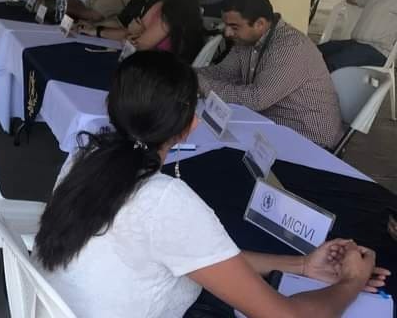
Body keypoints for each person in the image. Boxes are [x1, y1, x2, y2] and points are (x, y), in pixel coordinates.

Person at [36, 51, 387, 318]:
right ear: (190, 124)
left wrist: (302, 266)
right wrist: (351, 282)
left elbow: (202, 256)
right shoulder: (165, 201)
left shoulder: (85, 156)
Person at [197, 0, 343, 149]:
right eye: (226, 25)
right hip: (268, 128)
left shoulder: (291, 47)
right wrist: (182, 75)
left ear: (260, 23)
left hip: (308, 141)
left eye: (234, 27)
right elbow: (223, 72)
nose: (227, 33)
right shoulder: (246, 40)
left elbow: (256, 99)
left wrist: (197, 83)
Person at [84, 0, 203, 62]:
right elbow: (132, 33)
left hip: (161, 74)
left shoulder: (172, 14)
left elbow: (136, 45)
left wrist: (134, 35)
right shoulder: (160, 6)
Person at [319, 0, 397, 71]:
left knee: (330, 64)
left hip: (377, 51)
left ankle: (316, 87)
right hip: (355, 44)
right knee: (314, 53)